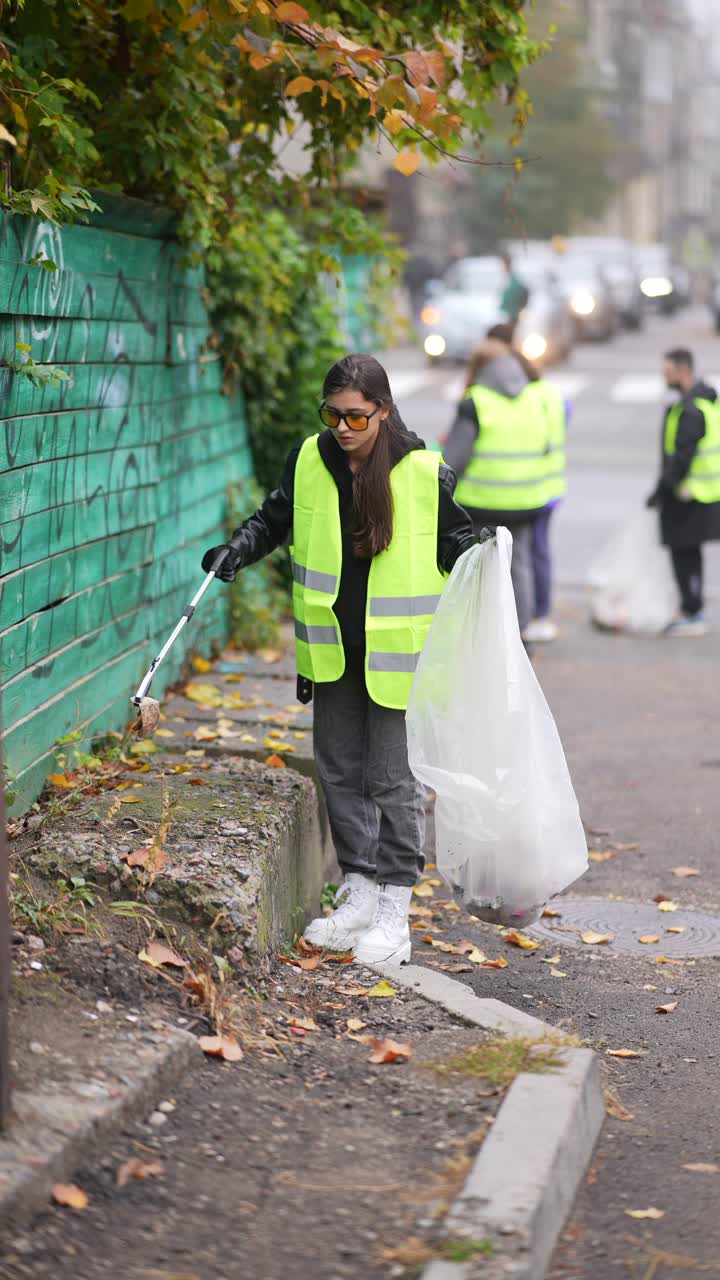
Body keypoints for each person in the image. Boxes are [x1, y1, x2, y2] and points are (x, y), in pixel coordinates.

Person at [202, 354, 487, 965]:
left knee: (391, 779)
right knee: (337, 769)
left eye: (356, 416)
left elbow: (457, 543)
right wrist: (237, 549)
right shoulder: (311, 459)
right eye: (332, 414)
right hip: (332, 648)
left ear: (383, 410)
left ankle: (394, 906)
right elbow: (274, 518)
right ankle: (357, 890)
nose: (343, 428)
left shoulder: (420, 470)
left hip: (397, 654)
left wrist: (481, 551)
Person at [443, 328, 554, 636]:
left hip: (481, 502)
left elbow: (455, 459)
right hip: (526, 499)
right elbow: (544, 445)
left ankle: (485, 638)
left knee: (480, 570)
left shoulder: (476, 402)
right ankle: (520, 636)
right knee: (519, 567)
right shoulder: (533, 397)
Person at [647, 348, 720, 636]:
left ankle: (692, 612)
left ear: (683, 370)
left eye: (668, 372)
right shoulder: (700, 402)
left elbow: (681, 458)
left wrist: (662, 490)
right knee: (690, 553)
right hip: (699, 493)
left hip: (689, 494)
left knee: (685, 555)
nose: (664, 377)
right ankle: (693, 608)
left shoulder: (691, 410)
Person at [522, 378, 568, 644]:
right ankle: (542, 613)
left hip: (531, 489)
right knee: (539, 552)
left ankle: (537, 614)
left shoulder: (527, 399)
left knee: (528, 554)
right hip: (551, 486)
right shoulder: (552, 393)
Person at [499, 252, 529, 330]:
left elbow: (523, 292)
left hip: (513, 314)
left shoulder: (515, 279)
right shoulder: (508, 278)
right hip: (509, 314)